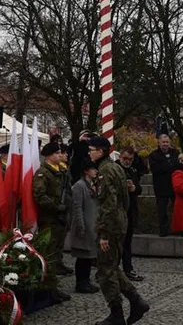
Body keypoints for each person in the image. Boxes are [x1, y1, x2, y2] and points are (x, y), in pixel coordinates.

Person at [88, 136, 149, 325]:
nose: (89, 153)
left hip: (111, 226)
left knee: (105, 271)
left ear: (101, 151)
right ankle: (136, 300)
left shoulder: (106, 171)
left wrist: (104, 234)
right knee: (111, 267)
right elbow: (124, 199)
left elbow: (109, 204)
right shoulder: (115, 168)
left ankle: (117, 313)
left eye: (92, 149)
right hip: (119, 222)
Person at [33, 141, 74, 286]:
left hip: (60, 217)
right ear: (49, 156)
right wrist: (57, 207)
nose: (60, 155)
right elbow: (40, 195)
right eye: (56, 153)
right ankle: (49, 280)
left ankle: (56, 272)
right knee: (49, 249)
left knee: (58, 246)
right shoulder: (43, 173)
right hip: (49, 217)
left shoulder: (60, 171)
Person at [70, 161, 101, 294]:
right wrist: (81, 225)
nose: (95, 171)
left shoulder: (92, 185)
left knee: (88, 256)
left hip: (91, 224)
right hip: (83, 225)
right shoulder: (79, 185)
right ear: (86, 171)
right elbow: (77, 207)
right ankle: (81, 282)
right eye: (93, 169)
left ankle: (86, 280)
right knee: (82, 256)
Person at [117, 146, 145, 281]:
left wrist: (134, 188)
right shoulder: (115, 168)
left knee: (127, 241)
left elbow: (139, 187)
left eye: (130, 159)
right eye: (125, 158)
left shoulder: (133, 169)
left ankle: (128, 268)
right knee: (116, 242)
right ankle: (113, 270)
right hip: (118, 209)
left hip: (130, 208)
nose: (127, 161)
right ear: (120, 156)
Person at [148, 135, 178, 237]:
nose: (165, 144)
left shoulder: (175, 153)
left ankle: (178, 229)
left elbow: (178, 166)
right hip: (161, 186)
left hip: (174, 185)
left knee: (177, 208)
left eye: (167, 142)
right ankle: (163, 230)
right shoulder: (153, 155)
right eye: (163, 142)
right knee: (162, 210)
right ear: (159, 143)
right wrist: (169, 167)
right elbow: (155, 169)